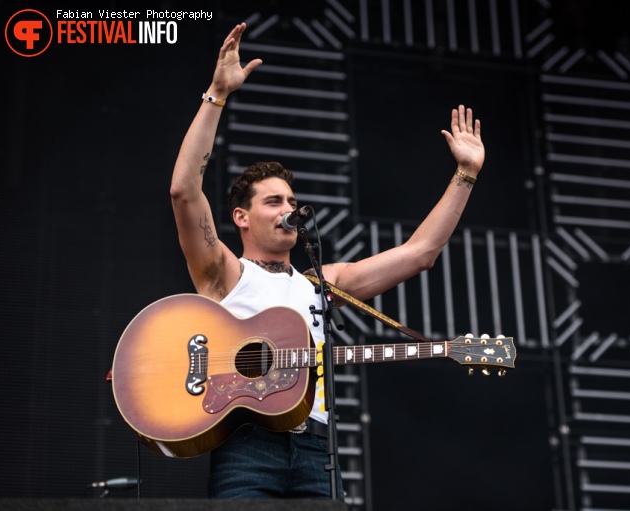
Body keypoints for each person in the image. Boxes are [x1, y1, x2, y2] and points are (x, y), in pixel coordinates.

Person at [169, 22, 485, 499]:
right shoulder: (225, 272)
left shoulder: (325, 282)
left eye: (291, 200)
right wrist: (216, 95)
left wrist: (465, 174)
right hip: (246, 450)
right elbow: (183, 191)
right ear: (242, 217)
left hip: (319, 453)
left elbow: (420, 254)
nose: (287, 209)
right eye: (273, 201)